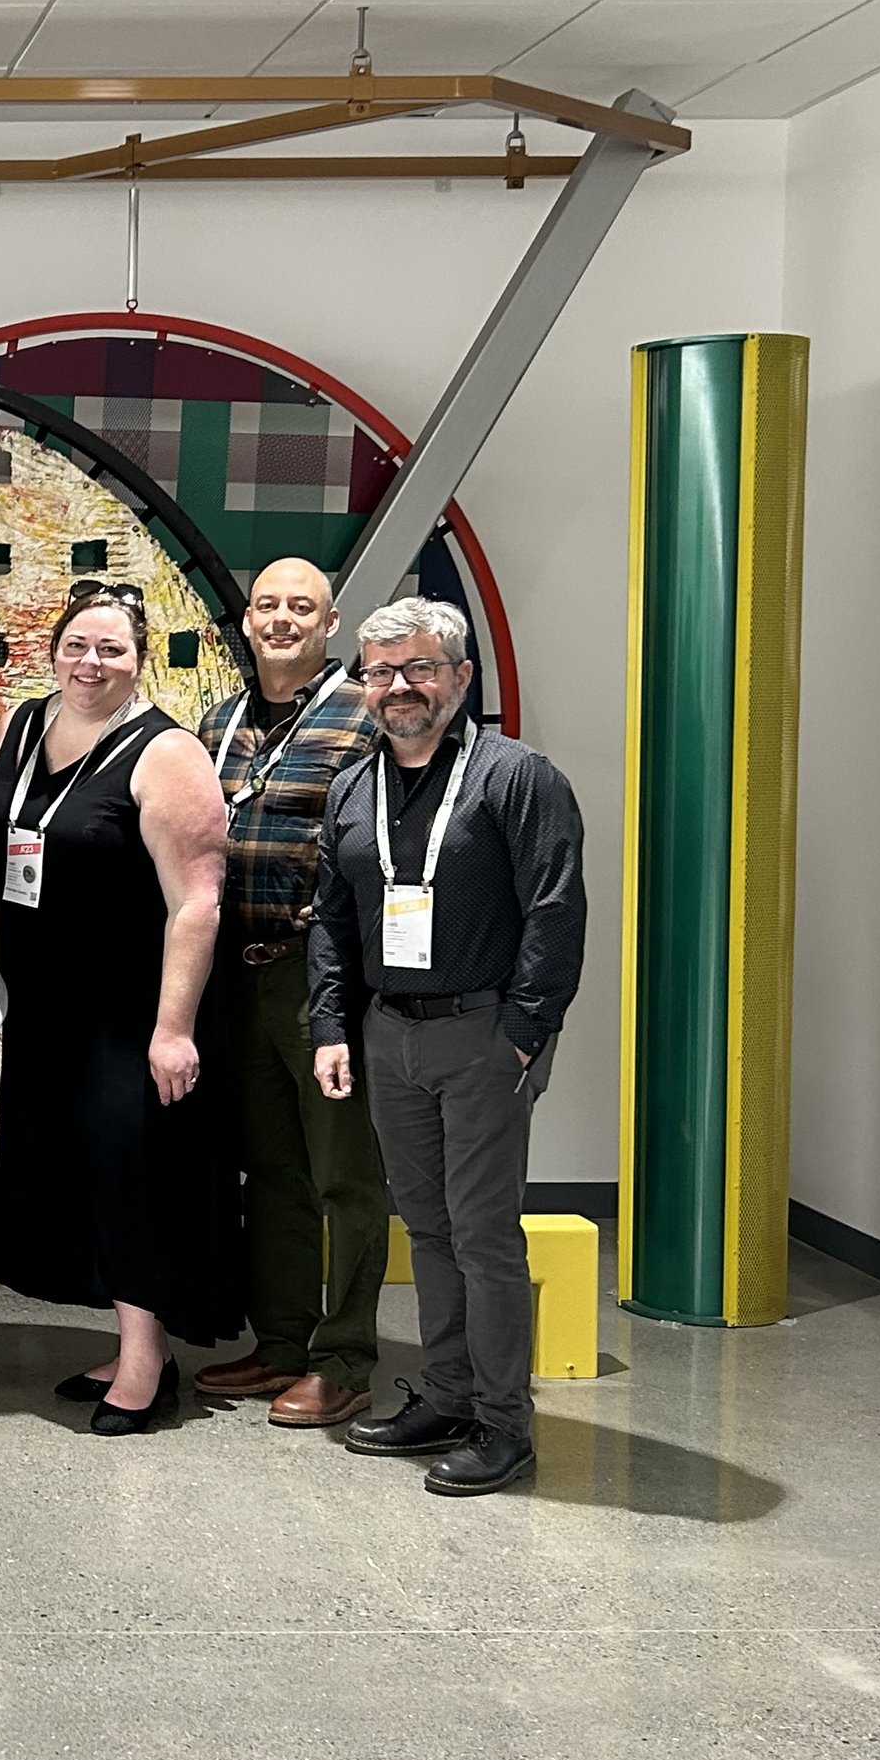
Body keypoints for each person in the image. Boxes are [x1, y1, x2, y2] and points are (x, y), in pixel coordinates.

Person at [310, 596, 586, 1498]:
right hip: (389, 1035)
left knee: (484, 1236)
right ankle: (449, 1393)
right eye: (381, 671)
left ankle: (505, 1424)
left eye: (419, 668)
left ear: (460, 678)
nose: (399, 687)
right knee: (426, 1229)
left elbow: (554, 910)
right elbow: (333, 922)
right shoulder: (355, 786)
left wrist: (522, 1034)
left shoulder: (517, 777)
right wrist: (330, 1025)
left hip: (482, 1037)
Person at [0, 582, 232, 1436]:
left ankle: (144, 1361)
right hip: (45, 1005)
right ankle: (128, 1342)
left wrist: (173, 1028)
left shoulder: (168, 753)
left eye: (112, 649)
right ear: (53, 650)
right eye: (78, 646)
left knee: (132, 1176)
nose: (92, 663)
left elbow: (198, 900)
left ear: (140, 658)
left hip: (130, 1008)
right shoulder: (20, 727)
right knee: (77, 1172)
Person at [191, 558, 394, 1429]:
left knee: (344, 1172)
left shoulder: (366, 712)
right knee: (270, 1169)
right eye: (267, 605)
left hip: (319, 973)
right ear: (246, 621)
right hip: (234, 973)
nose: (281, 619)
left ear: (331, 621)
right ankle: (281, 1340)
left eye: (299, 607)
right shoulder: (219, 721)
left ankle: (343, 1357)